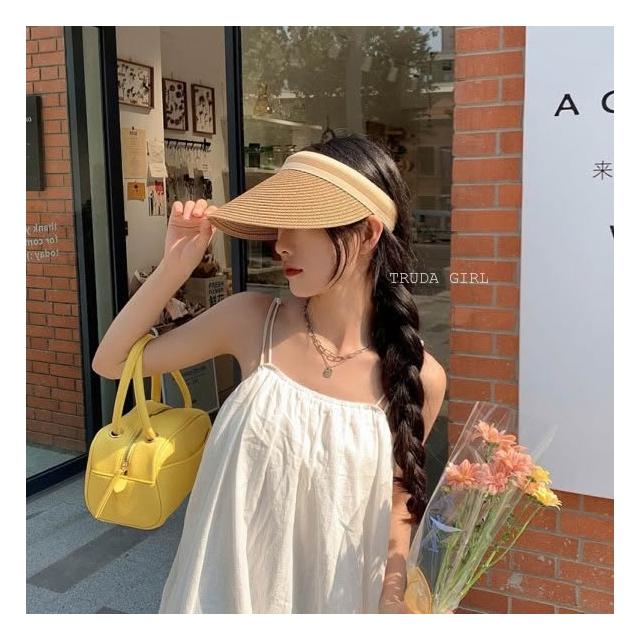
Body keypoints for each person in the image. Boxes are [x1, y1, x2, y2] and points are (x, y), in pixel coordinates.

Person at [92, 132, 447, 613]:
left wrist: (392, 593)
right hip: (224, 596)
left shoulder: (418, 376)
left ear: (367, 235)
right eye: (280, 224)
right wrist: (173, 268)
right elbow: (111, 362)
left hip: (338, 601)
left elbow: (399, 500)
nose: (280, 244)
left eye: (300, 224)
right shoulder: (250, 320)